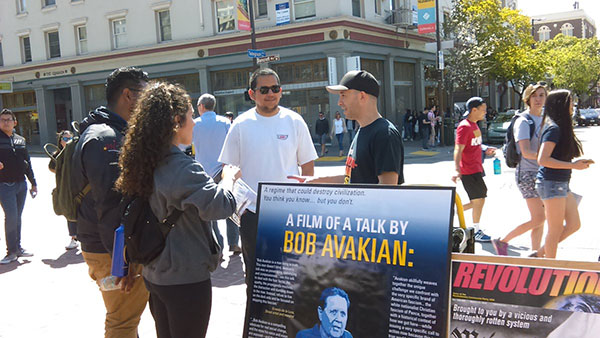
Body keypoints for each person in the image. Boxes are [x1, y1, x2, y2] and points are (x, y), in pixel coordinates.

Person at [115, 82, 237, 338]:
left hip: (155, 272)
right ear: (175, 121)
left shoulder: (143, 160)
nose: (194, 123)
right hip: (184, 277)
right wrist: (229, 178)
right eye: (191, 116)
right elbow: (222, 205)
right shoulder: (181, 168)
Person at [218, 67, 317, 302]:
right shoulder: (240, 125)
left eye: (275, 88)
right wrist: (239, 207)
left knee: (292, 273)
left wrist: (305, 203)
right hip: (253, 215)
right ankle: (258, 324)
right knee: (256, 276)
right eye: (264, 89)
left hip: (290, 214)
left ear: (281, 92)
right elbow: (228, 169)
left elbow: (308, 165)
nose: (270, 93)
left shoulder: (294, 121)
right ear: (252, 94)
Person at [71, 67, 150, 337]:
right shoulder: (106, 138)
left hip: (108, 245)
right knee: (123, 321)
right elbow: (111, 204)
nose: (148, 101)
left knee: (126, 319)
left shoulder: (107, 131)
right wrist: (122, 264)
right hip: (110, 250)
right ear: (128, 95)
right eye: (145, 94)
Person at [289, 70, 404, 186]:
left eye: (343, 95)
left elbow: (387, 192)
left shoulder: (384, 134)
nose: (339, 102)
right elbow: (354, 178)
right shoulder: (363, 131)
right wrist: (312, 181)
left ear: (362, 96)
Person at [533, 89, 593, 259]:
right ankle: (549, 266)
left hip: (560, 184)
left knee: (574, 224)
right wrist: (573, 165)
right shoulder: (554, 129)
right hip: (551, 183)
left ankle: (538, 255)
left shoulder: (558, 128)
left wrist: (575, 164)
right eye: (570, 102)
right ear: (561, 105)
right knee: (555, 229)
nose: (573, 105)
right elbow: (542, 159)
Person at [492, 83, 547, 255]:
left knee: (540, 221)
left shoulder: (545, 119)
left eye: (542, 95)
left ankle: (535, 253)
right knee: (539, 218)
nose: (538, 99)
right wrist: (548, 158)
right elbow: (526, 152)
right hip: (527, 174)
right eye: (534, 96)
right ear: (527, 98)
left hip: (543, 173)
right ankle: (502, 241)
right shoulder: (524, 121)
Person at [193, 94, 241, 255]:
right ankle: (234, 243)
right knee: (229, 205)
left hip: (203, 172)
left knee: (209, 211)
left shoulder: (194, 124)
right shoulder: (225, 122)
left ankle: (218, 246)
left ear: (201, 106)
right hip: (224, 169)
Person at [451, 97, 497, 242]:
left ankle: (452, 212)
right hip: (468, 170)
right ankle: (476, 230)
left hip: (477, 168)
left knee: (480, 198)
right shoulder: (464, 126)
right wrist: (457, 169)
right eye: (483, 110)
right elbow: (458, 148)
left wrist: (485, 149)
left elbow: (475, 144)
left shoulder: (475, 125)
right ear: (474, 110)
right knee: (478, 200)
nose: (485, 113)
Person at [0, 108, 37, 264]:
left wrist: (33, 183)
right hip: (4, 185)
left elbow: (27, 163)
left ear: (15, 122)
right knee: (12, 217)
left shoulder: (20, 140)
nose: (5, 122)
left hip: (21, 184)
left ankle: (18, 248)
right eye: (2, 119)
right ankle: (11, 252)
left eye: (8, 119)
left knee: (17, 218)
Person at [48, 130, 78, 250]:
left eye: (70, 138)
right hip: (65, 190)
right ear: (60, 141)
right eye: (65, 139)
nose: (67, 141)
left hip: (78, 188)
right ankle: (73, 238)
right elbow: (51, 167)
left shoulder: (77, 152)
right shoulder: (57, 155)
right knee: (69, 212)